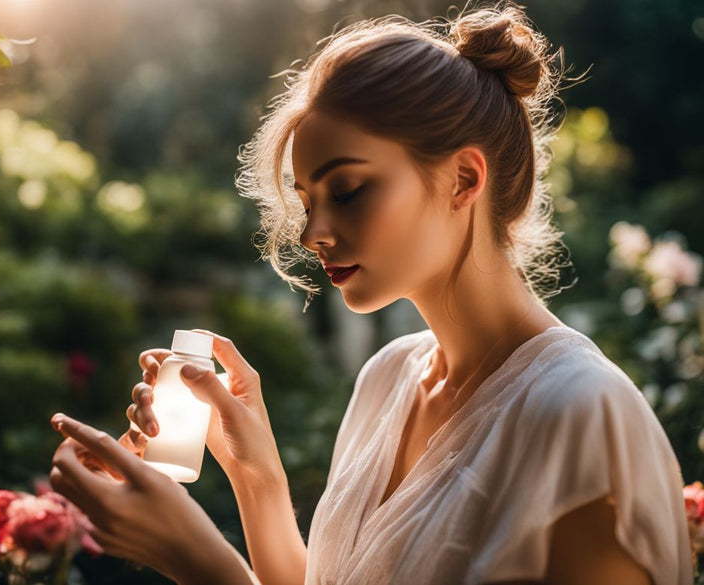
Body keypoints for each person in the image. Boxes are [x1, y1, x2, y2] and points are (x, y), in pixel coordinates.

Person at [47, 2, 695, 584]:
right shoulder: (387, 379)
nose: (313, 232)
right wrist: (257, 479)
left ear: (464, 178)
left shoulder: (580, 416)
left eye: (348, 189)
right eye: (306, 200)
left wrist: (201, 562)